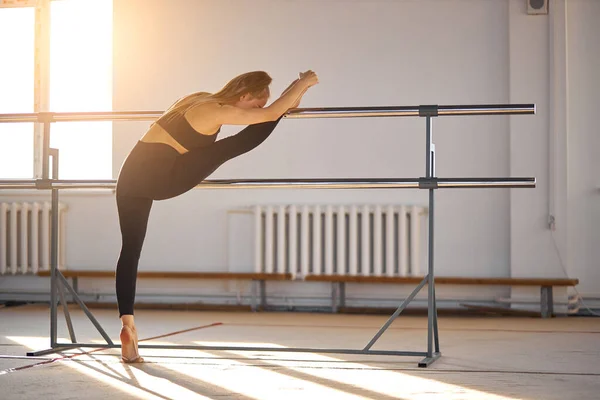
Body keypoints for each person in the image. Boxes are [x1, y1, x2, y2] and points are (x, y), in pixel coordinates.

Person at [114, 70, 319, 362]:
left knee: (130, 249)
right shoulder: (215, 111)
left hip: (130, 177)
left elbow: (266, 112)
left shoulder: (197, 99)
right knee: (230, 147)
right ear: (245, 95)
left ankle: (127, 326)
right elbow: (266, 117)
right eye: (256, 104)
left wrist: (283, 104)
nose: (256, 112)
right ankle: (128, 331)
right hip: (159, 178)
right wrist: (301, 85)